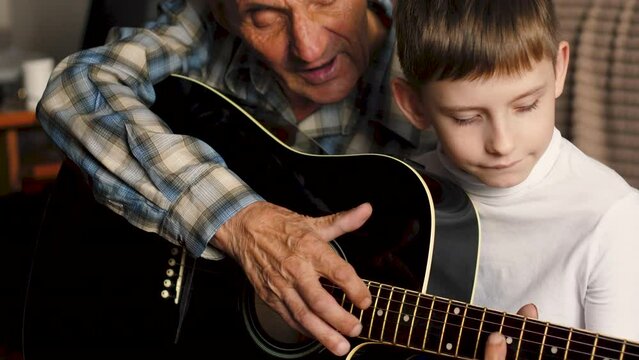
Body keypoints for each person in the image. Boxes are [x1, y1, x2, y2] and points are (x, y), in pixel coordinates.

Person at [36, 0, 444, 357]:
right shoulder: (204, 26)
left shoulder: (447, 57)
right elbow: (75, 89)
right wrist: (235, 220)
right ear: (223, 14)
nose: (309, 48)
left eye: (326, 0)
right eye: (265, 16)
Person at [391, 0, 639, 354]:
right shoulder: (398, 190)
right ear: (414, 105)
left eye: (525, 106)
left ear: (559, 69)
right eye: (466, 118)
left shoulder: (614, 220)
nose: (502, 144)